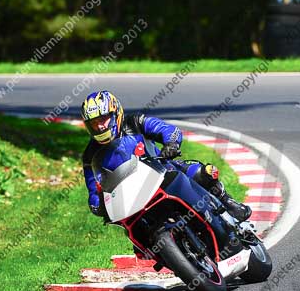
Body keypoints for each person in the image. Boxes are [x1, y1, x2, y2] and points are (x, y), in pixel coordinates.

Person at [81, 90, 251, 222]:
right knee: (132, 230)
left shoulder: (135, 123)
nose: (100, 126)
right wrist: (97, 205)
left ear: (115, 114)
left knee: (202, 172)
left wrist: (171, 144)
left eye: (103, 119)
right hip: (132, 200)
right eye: (94, 123)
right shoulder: (90, 154)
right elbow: (93, 190)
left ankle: (227, 202)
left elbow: (168, 130)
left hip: (162, 172)